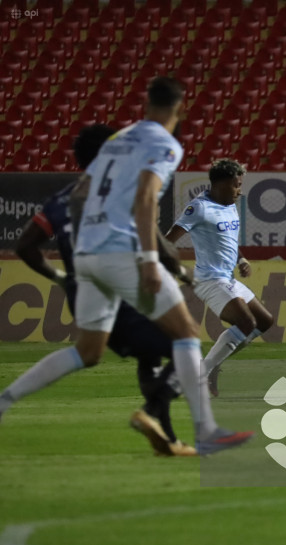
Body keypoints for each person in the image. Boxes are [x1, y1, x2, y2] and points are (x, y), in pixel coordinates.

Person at [0, 76, 253, 456]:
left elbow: (83, 191)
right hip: (121, 250)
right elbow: (147, 195)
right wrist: (150, 261)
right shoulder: (163, 144)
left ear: (147, 105)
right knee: (185, 333)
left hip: (87, 253)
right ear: (178, 109)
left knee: (87, 351)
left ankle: (4, 400)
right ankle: (206, 431)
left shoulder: (119, 140)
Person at [14, 123, 195, 457]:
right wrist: (184, 273)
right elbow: (159, 245)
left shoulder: (61, 198)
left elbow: (25, 244)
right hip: (122, 289)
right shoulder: (119, 194)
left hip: (83, 291)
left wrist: (59, 277)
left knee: (146, 354)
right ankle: (152, 413)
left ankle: (166, 438)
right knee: (188, 349)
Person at [165, 159, 273, 397]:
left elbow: (230, 241)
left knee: (265, 321)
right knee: (246, 323)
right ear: (220, 184)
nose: (239, 190)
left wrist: (241, 259)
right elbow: (168, 240)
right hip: (210, 281)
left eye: (240, 184)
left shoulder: (229, 205)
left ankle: (211, 366)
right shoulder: (199, 208)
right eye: (236, 185)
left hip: (229, 279)